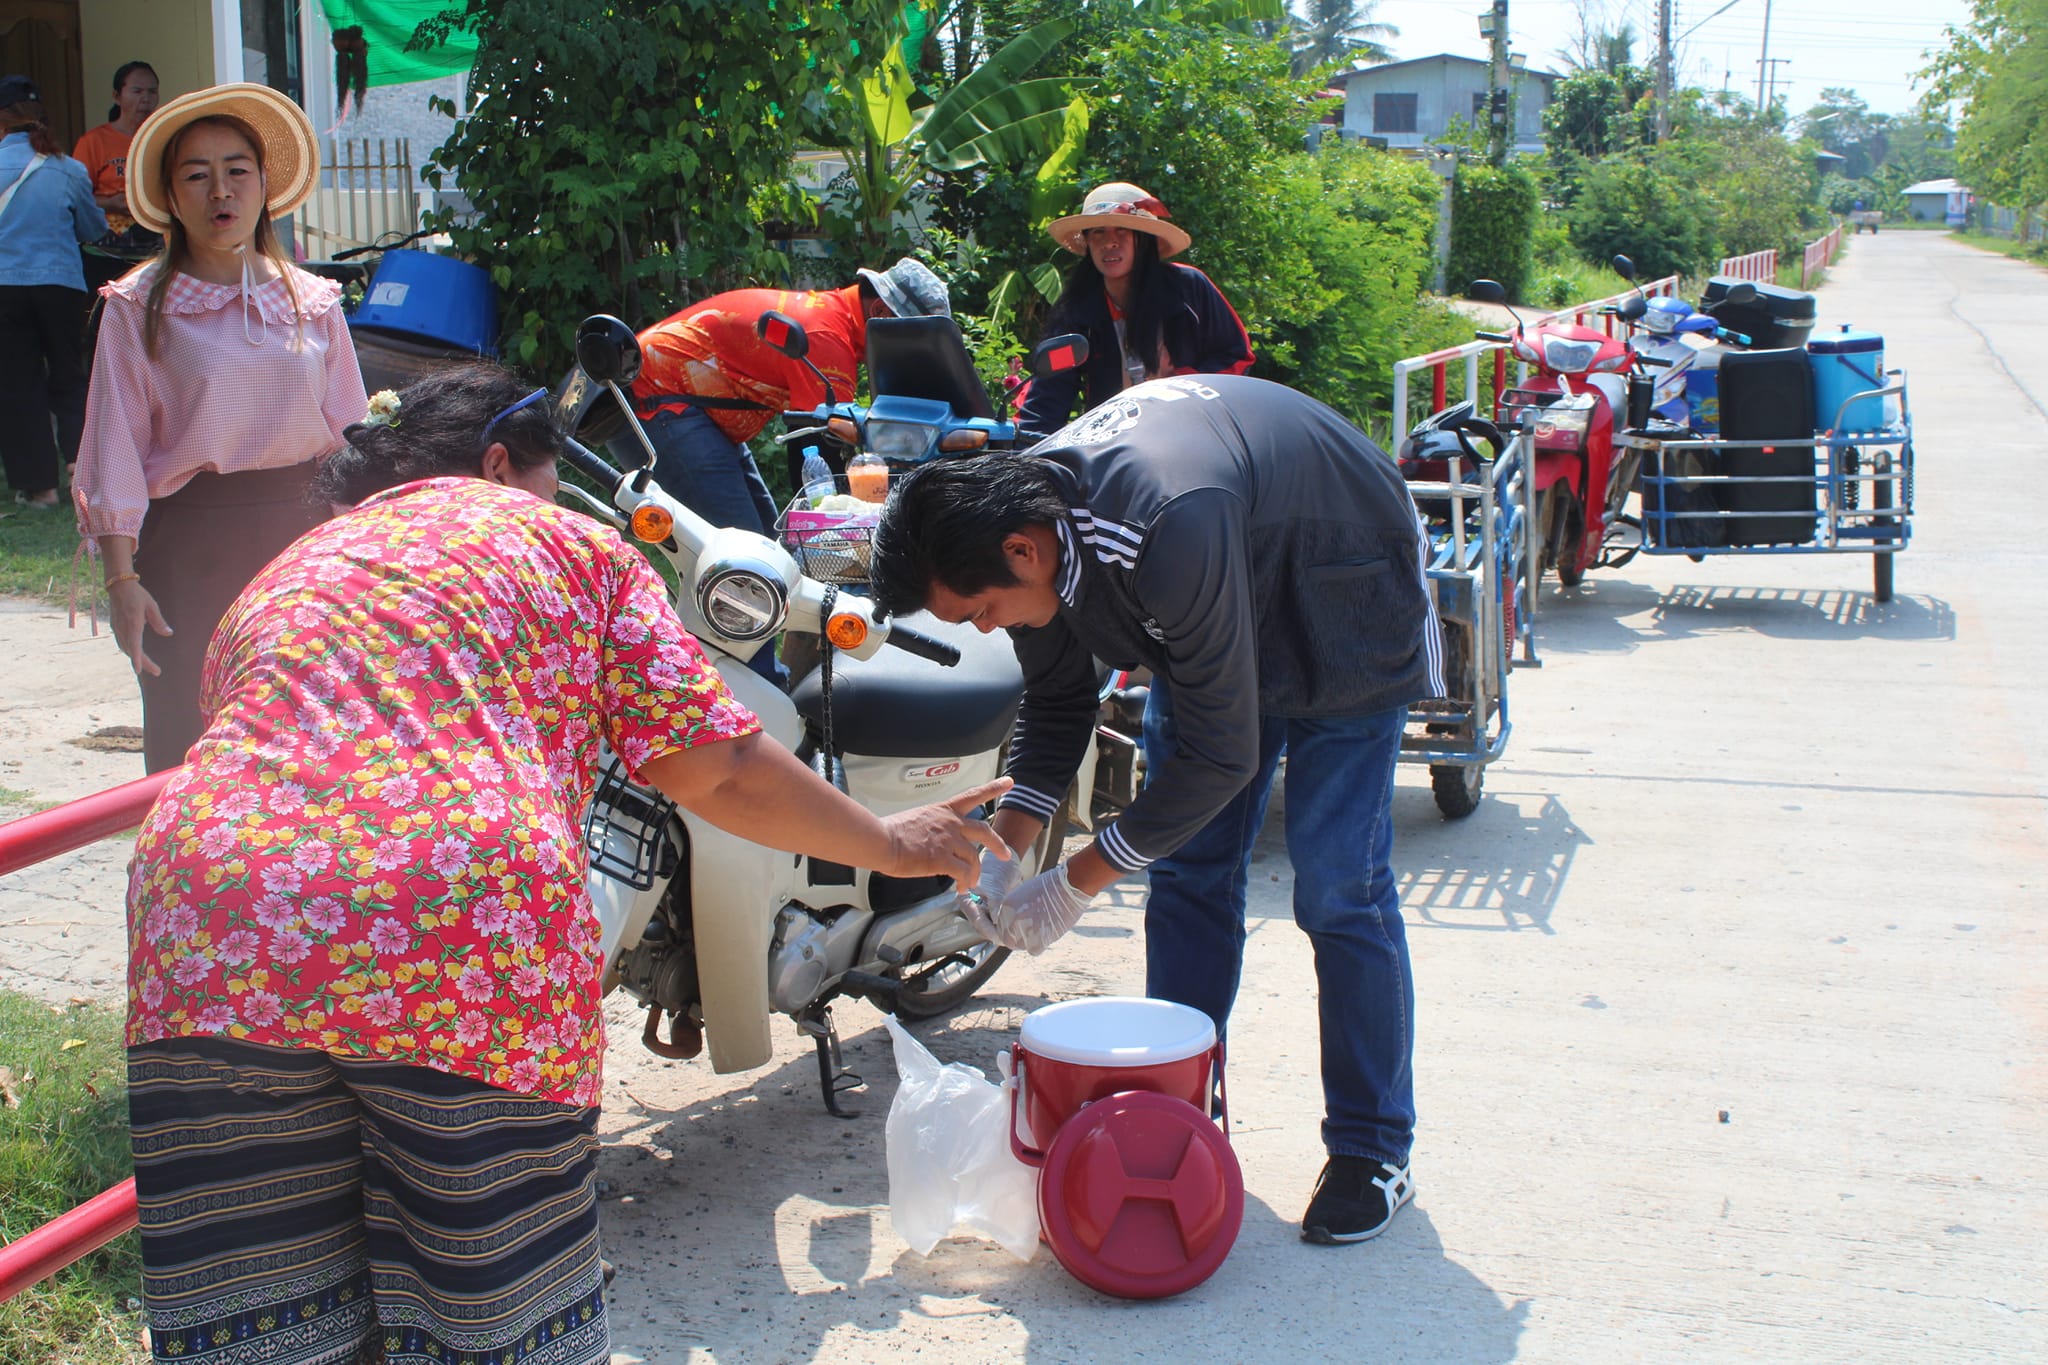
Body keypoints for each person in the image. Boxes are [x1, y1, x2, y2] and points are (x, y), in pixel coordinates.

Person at [124, 362, 1011, 1365]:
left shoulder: (291, 567)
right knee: (495, 1313)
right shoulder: (570, 546)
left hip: (208, 922)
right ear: (502, 466)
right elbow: (716, 768)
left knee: (260, 1322)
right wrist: (889, 840)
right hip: (453, 934)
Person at [870, 373, 1444, 1246]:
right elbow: (1060, 702)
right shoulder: (1024, 526)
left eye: (980, 611)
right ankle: (1180, 1114)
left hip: (1339, 575)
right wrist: (1002, 852)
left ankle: (1373, 1147)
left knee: (1339, 885)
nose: (986, 628)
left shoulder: (1162, 524)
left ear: (1022, 552)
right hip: (1220, 583)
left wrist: (1075, 880)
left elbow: (1223, 754)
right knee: (1187, 872)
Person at [74, 82, 367, 773]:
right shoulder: (139, 307)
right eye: (196, 176)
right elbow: (114, 445)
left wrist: (362, 555)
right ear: (170, 197)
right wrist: (121, 581)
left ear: (265, 184)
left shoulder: (311, 300)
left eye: (236, 170)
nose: (220, 192)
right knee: (191, 745)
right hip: (187, 549)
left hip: (303, 542)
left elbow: (353, 438)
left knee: (308, 741)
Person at [620, 258, 952, 541]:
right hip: (656, 400)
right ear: (879, 311)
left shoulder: (834, 318)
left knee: (769, 542)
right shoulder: (827, 338)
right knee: (742, 550)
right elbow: (817, 447)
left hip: (689, 405)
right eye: (911, 335)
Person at [1015, 181, 1253, 436]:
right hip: (1115, 440)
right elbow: (1050, 391)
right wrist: (1022, 445)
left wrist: (1183, 384)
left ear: (1144, 240)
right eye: (1098, 232)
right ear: (1087, 241)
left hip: (1193, 433)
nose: (1109, 242)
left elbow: (1237, 356)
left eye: (1122, 230)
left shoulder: (1189, 288)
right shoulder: (1076, 312)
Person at [0, 74, 107, 508]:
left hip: (5, 287)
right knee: (69, 376)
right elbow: (93, 228)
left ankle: (40, 488)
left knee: (17, 383)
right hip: (61, 285)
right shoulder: (69, 168)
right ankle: (81, 474)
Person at [73, 60, 160, 247]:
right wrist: (110, 203)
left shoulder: (163, 137)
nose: (146, 98)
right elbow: (76, 198)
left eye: (152, 91)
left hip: (156, 239)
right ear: (116, 96)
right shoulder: (94, 141)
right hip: (106, 241)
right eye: (137, 91)